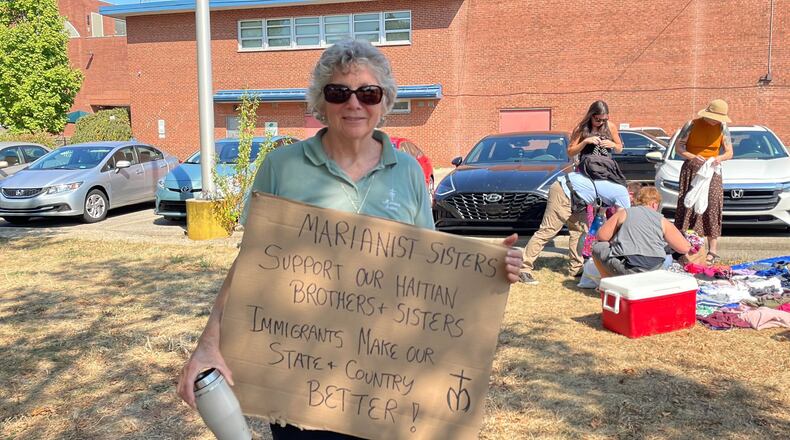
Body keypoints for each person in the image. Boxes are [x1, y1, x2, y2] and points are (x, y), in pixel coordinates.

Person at [176, 39, 524, 440]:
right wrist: (208, 342)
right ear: (321, 101)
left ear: (385, 100)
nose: (354, 104)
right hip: (300, 375)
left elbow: (429, 269)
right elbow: (250, 265)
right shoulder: (281, 167)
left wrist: (487, 267)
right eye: (339, 92)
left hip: (387, 380)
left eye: (368, 92)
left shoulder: (408, 171)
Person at [519, 171, 631, 284]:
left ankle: (576, 268)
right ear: (630, 192)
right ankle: (523, 269)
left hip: (577, 196)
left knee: (580, 231)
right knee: (548, 230)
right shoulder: (623, 194)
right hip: (564, 190)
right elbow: (622, 221)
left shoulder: (613, 187)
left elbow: (602, 213)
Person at [673, 99, 733, 264]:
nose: (715, 120)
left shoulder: (722, 127)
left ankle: (712, 250)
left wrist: (718, 158)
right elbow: (679, 148)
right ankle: (683, 246)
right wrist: (693, 157)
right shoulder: (691, 124)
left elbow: (729, 152)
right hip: (692, 168)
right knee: (688, 204)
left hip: (712, 169)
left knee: (712, 204)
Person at [592, 187, 691, 278]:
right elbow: (684, 248)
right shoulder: (662, 220)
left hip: (627, 267)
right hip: (655, 269)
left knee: (598, 247)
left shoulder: (624, 213)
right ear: (654, 204)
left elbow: (602, 237)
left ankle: (607, 284)